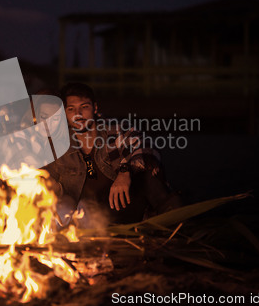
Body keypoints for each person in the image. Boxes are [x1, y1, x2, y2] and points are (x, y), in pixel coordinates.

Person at [44, 83, 182, 228]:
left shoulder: (115, 130)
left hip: (127, 207)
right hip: (89, 217)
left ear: (95, 108)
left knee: (147, 173)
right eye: (71, 109)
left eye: (84, 107)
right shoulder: (58, 145)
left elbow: (147, 148)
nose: (78, 114)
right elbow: (47, 182)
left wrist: (125, 172)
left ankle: (174, 219)